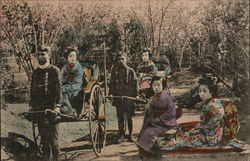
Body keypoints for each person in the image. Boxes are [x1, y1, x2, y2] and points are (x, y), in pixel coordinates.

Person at [162, 75, 224, 149]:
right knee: (181, 130)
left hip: (210, 137)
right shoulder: (212, 102)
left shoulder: (212, 106)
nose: (201, 94)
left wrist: (194, 130)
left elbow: (208, 126)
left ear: (211, 93)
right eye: (200, 91)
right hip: (209, 132)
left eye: (204, 91)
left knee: (181, 138)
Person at [30, 46, 62, 161]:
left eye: (43, 54)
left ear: (49, 56)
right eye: (38, 54)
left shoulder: (54, 70)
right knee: (43, 139)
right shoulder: (36, 72)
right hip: (39, 109)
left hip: (52, 108)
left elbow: (59, 89)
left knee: (53, 139)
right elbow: (32, 91)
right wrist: (32, 106)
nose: (40, 57)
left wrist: (58, 106)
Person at [136, 75, 177, 158]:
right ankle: (146, 153)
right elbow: (152, 106)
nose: (156, 87)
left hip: (165, 124)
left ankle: (152, 154)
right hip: (156, 122)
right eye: (154, 85)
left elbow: (171, 112)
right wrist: (149, 107)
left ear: (163, 86)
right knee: (144, 131)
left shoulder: (167, 98)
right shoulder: (155, 96)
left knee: (149, 132)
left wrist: (158, 119)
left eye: (158, 85)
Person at [109, 52, 138, 143]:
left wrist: (136, 94)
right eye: (119, 59)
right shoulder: (115, 72)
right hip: (119, 97)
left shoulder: (131, 71)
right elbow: (112, 84)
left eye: (123, 59)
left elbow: (135, 84)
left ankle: (130, 135)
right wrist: (110, 93)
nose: (121, 61)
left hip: (129, 97)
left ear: (126, 59)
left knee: (129, 117)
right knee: (120, 116)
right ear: (117, 61)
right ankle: (121, 134)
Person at [60, 46, 85, 116]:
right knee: (58, 90)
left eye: (74, 56)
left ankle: (70, 110)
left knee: (63, 90)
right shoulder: (65, 66)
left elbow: (69, 78)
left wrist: (64, 80)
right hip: (67, 86)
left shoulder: (77, 66)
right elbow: (60, 77)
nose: (73, 58)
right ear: (67, 58)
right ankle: (65, 109)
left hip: (76, 86)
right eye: (70, 56)